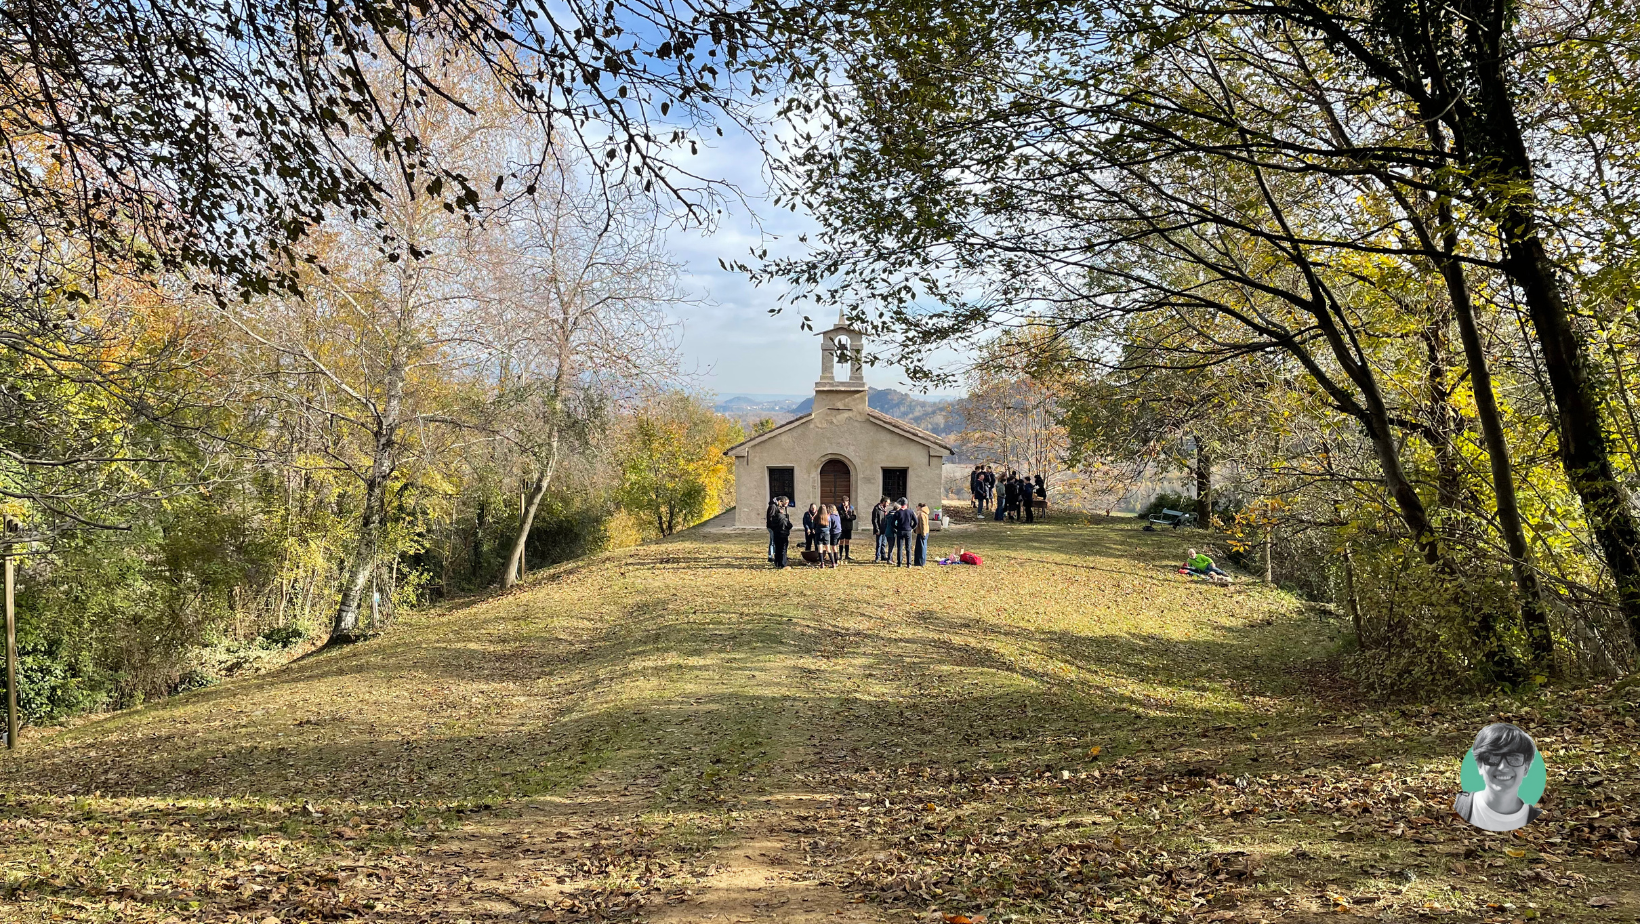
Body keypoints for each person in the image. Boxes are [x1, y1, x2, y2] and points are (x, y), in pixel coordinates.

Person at [1455, 723, 1542, 832]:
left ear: (1526, 768)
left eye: (1514, 758)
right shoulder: (1457, 807)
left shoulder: (1539, 820)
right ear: (1480, 765)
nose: (1502, 767)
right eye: (1493, 757)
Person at [768, 497, 793, 569]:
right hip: (783, 534)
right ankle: (783, 564)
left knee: (778, 549)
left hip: (777, 533)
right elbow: (789, 525)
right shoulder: (783, 518)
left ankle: (777, 563)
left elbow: (772, 524)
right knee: (783, 549)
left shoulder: (775, 518)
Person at [893, 498, 916, 567]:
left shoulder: (897, 512)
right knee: (908, 547)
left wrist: (897, 528)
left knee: (899, 547)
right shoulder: (910, 512)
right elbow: (916, 521)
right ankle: (908, 563)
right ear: (907, 504)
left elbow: (892, 523)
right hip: (908, 531)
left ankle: (899, 563)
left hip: (900, 531)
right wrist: (912, 528)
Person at [872, 496, 891, 562]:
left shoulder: (884, 509)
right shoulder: (877, 509)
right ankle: (877, 557)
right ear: (884, 502)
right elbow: (874, 520)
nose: (888, 504)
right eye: (888, 503)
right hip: (879, 529)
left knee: (884, 543)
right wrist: (877, 529)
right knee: (879, 544)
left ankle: (883, 556)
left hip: (885, 529)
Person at [838, 496, 857, 561]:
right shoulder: (839, 508)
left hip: (848, 527)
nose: (843, 504)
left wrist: (849, 517)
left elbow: (854, 517)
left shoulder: (851, 508)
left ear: (847, 502)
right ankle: (840, 555)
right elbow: (838, 516)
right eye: (842, 502)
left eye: (844, 502)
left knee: (847, 541)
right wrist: (843, 516)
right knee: (841, 541)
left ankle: (847, 555)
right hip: (842, 526)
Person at [826, 504, 843, 568]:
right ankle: (836, 560)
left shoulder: (831, 516)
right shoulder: (837, 515)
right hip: (839, 531)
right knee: (835, 546)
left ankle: (835, 562)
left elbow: (829, 525)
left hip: (834, 532)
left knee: (834, 547)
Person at [766, 496, 779, 562]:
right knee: (772, 541)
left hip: (772, 526)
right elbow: (771, 517)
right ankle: (770, 556)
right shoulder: (773, 506)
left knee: (774, 541)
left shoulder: (773, 506)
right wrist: (774, 525)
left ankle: (774, 554)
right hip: (772, 527)